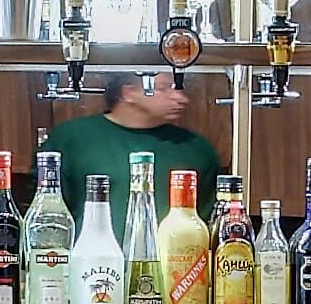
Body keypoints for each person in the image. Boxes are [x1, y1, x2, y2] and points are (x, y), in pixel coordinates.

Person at [39, 70, 219, 220]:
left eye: (178, 88)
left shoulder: (196, 149)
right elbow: (48, 215)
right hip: (87, 260)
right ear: (129, 92)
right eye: (164, 88)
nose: (181, 98)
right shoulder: (70, 139)